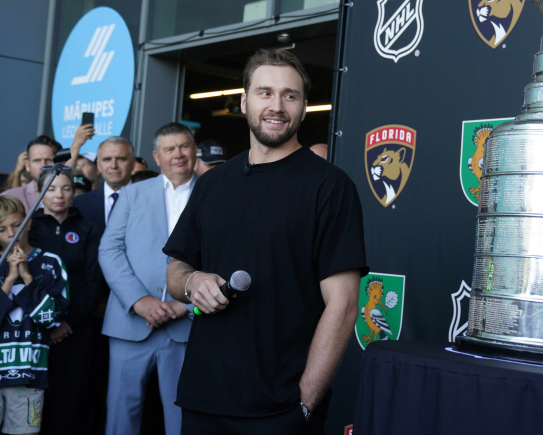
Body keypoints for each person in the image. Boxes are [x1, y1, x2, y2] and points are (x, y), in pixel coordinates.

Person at [164, 49, 367, 435]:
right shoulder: (211, 184)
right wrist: (193, 283)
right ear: (244, 101)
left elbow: (342, 307)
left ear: (305, 108)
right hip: (202, 398)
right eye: (265, 93)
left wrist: (304, 404)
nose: (277, 106)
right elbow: (175, 271)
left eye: (290, 95)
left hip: (280, 409)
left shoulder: (330, 187)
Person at [99, 123, 198, 435]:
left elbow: (226, 255)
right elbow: (109, 250)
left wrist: (188, 304)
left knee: (183, 416)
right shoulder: (131, 194)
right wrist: (139, 301)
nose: (178, 155)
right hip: (131, 323)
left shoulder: (215, 192)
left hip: (187, 325)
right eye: (170, 149)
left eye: (184, 146)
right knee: (121, 415)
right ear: (157, 156)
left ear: (193, 150)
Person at [28, 171, 105, 435]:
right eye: (50, 189)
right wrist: (47, 322)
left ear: (74, 192)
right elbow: (23, 281)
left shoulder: (89, 228)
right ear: (39, 192)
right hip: (35, 329)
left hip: (75, 327)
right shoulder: (28, 228)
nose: (58, 195)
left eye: (66, 188)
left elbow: (95, 281)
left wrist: (65, 322)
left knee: (70, 401)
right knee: (30, 403)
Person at [0, 196, 70, 435]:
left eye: (16, 225)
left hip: (30, 372)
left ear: (28, 223)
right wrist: (9, 280)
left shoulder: (51, 262)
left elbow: (52, 319)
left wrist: (27, 277)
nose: (12, 234)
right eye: (2, 229)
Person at [72, 137, 135, 232]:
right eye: (107, 159)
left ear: (133, 164)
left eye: (121, 159)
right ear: (98, 166)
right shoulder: (80, 204)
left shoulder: (148, 201)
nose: (113, 166)